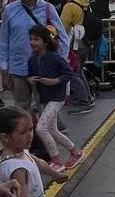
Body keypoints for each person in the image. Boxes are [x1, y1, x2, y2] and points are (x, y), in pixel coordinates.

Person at [0, 0, 68, 110]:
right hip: (18, 66)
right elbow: (3, 40)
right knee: (21, 106)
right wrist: (4, 68)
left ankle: (47, 129)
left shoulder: (48, 9)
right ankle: (27, 130)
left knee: (44, 106)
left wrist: (61, 62)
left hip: (42, 67)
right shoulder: (10, 10)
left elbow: (62, 36)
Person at [26, 25, 79, 167]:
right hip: (45, 97)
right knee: (52, 130)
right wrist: (30, 79)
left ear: (45, 42)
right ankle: (75, 151)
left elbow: (69, 73)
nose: (32, 42)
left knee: (41, 128)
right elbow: (29, 74)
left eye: (36, 39)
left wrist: (55, 81)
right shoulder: (32, 59)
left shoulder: (54, 58)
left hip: (57, 97)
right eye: (31, 39)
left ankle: (55, 159)